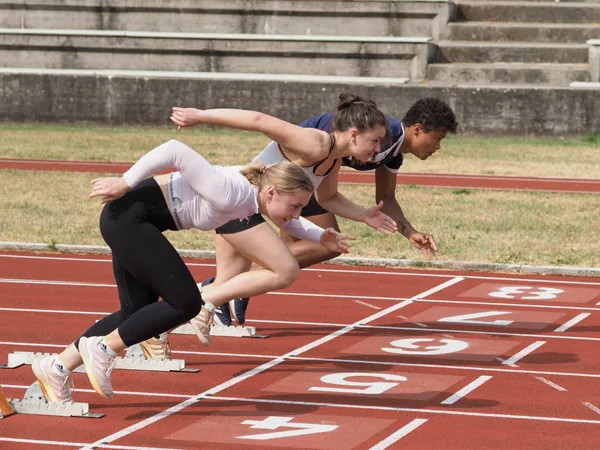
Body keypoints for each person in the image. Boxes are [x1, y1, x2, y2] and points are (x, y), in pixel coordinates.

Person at [30, 139, 356, 404]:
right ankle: (103, 347)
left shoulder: (251, 198)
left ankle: (56, 367)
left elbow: (291, 220)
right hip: (129, 220)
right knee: (185, 303)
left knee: (138, 313)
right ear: (271, 192)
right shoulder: (231, 190)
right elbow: (175, 149)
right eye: (295, 206)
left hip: (134, 221)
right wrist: (125, 181)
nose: (297, 214)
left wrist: (321, 235)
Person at [158, 94, 401, 339]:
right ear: (354, 134)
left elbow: (328, 198)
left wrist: (364, 215)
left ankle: (163, 323)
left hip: (245, 210)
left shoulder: (332, 162)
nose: (378, 149)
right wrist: (200, 115)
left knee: (229, 282)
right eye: (376, 140)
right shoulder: (314, 143)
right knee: (275, 272)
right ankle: (157, 326)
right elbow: (259, 120)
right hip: (237, 206)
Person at [208, 97, 458, 326]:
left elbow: (385, 199)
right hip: (293, 176)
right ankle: (230, 287)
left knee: (304, 251)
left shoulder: (389, 154)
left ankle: (234, 286)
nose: (438, 146)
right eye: (437, 138)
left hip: (315, 179)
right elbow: (332, 130)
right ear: (417, 129)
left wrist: (409, 232)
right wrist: (198, 116)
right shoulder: (378, 135)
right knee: (301, 252)